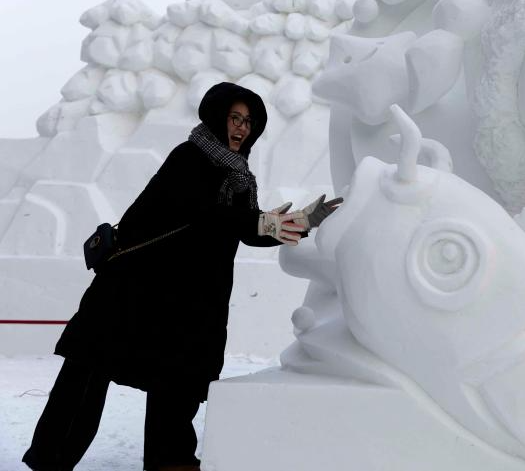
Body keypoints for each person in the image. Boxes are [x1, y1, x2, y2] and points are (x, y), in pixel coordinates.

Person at [23, 82, 340, 471]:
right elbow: (203, 211)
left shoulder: (239, 176)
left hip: (189, 299)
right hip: (132, 289)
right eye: (235, 118)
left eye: (249, 122)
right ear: (217, 117)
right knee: (87, 375)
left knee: (179, 378)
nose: (241, 128)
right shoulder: (189, 158)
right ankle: (50, 460)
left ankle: (170, 461)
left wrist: (302, 222)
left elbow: (245, 229)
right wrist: (262, 221)